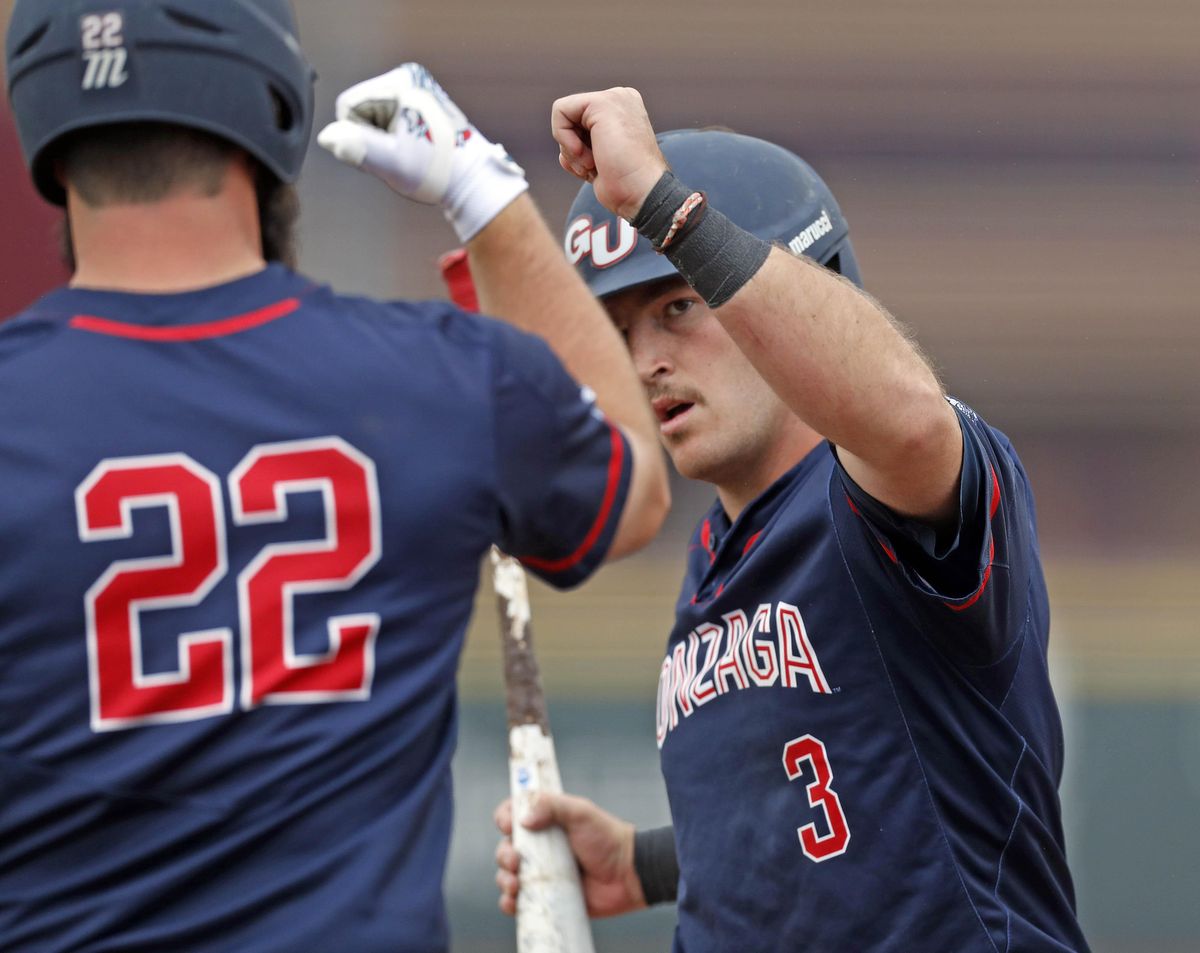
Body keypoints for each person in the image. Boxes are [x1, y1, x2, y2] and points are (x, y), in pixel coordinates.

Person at [0, 3, 669, 948]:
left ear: (46, 133)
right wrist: (484, 193)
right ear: (272, 109)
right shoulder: (441, 377)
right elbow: (634, 485)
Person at [493, 88, 1092, 951]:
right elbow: (848, 804)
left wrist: (665, 205)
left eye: (678, 304)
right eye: (619, 328)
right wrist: (651, 862)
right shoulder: (713, 548)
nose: (645, 359)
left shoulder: (879, 497)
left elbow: (914, 420)